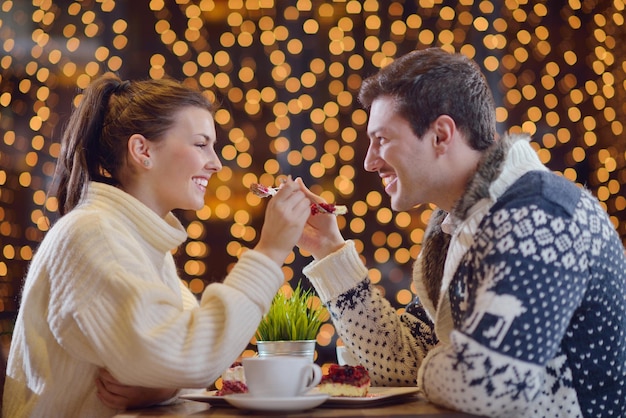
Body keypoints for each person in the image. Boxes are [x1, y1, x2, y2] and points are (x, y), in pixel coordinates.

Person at [296, 47, 626, 418]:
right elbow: (400, 361)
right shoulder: (461, 227)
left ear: (440, 134)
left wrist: (451, 356)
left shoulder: (539, 217)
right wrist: (328, 249)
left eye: (382, 140)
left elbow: (489, 389)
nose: (369, 161)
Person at [3, 74, 312, 417]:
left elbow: (196, 362)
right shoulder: (93, 235)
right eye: (200, 144)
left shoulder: (141, 244)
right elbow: (191, 357)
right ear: (142, 151)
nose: (216, 162)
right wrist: (269, 252)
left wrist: (162, 388)